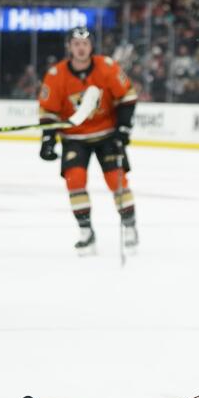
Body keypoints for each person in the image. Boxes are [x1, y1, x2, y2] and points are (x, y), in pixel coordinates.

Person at [38, 26, 139, 255]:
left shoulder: (107, 67)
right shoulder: (56, 74)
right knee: (75, 181)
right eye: (76, 44)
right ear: (69, 47)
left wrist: (123, 128)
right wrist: (47, 139)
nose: (81, 48)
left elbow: (127, 96)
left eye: (85, 43)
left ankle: (130, 225)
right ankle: (86, 232)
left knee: (117, 180)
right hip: (74, 138)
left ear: (91, 46)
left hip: (107, 135)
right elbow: (49, 112)